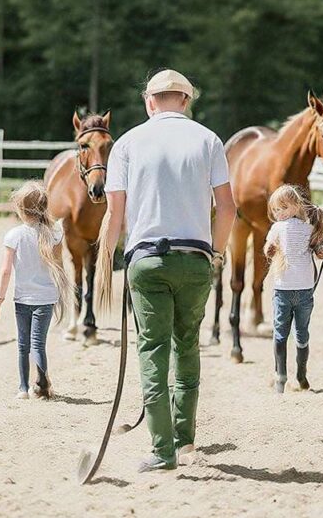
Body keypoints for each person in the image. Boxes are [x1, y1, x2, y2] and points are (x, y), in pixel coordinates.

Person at [98, 69, 236, 472]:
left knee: (153, 351)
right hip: (195, 259)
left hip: (146, 262)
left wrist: (106, 261)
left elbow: (114, 213)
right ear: (186, 101)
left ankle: (162, 452)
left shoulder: (126, 143)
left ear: (150, 101)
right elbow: (227, 209)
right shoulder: (208, 140)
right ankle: (186, 442)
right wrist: (217, 255)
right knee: (186, 346)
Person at [0, 181, 70, 400]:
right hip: (46, 298)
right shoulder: (54, 234)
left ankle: (23, 389)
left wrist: (0, 298)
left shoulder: (14, 236)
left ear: (21, 209)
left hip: (22, 298)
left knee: (23, 345)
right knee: (38, 345)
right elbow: (59, 266)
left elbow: (5, 271)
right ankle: (42, 388)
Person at [263, 184, 323, 394]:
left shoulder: (277, 229)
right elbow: (321, 251)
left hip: (283, 289)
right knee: (302, 333)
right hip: (305, 289)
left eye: (282, 208)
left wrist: (271, 250)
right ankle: (301, 375)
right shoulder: (309, 229)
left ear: (294, 207)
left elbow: (267, 250)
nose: (278, 214)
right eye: (275, 210)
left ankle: (281, 376)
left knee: (280, 333)